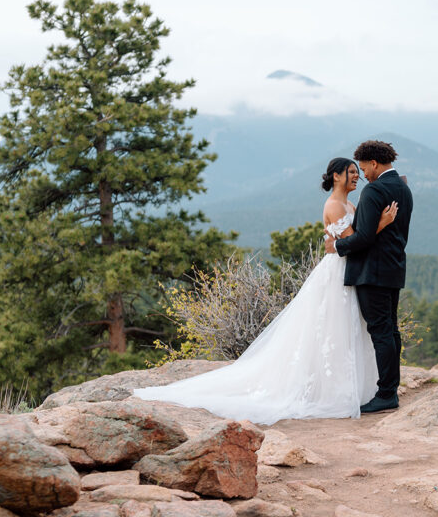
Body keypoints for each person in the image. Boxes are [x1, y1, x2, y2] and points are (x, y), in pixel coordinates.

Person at [132, 158, 398, 425]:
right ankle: (329, 389)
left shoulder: (349, 204)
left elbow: (351, 239)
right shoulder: (334, 205)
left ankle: (355, 385)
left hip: (348, 269)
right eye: (351, 172)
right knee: (332, 326)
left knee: (345, 328)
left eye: (356, 172)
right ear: (337, 176)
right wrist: (381, 224)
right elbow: (354, 239)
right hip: (338, 271)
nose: (356, 176)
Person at [325, 140, 413, 413]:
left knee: (380, 331)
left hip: (371, 272)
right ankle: (391, 388)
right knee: (391, 330)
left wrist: (337, 246)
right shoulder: (404, 188)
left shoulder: (375, 191)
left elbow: (362, 238)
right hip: (394, 268)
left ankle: (387, 393)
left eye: (363, 168)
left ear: (374, 163)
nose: (363, 175)